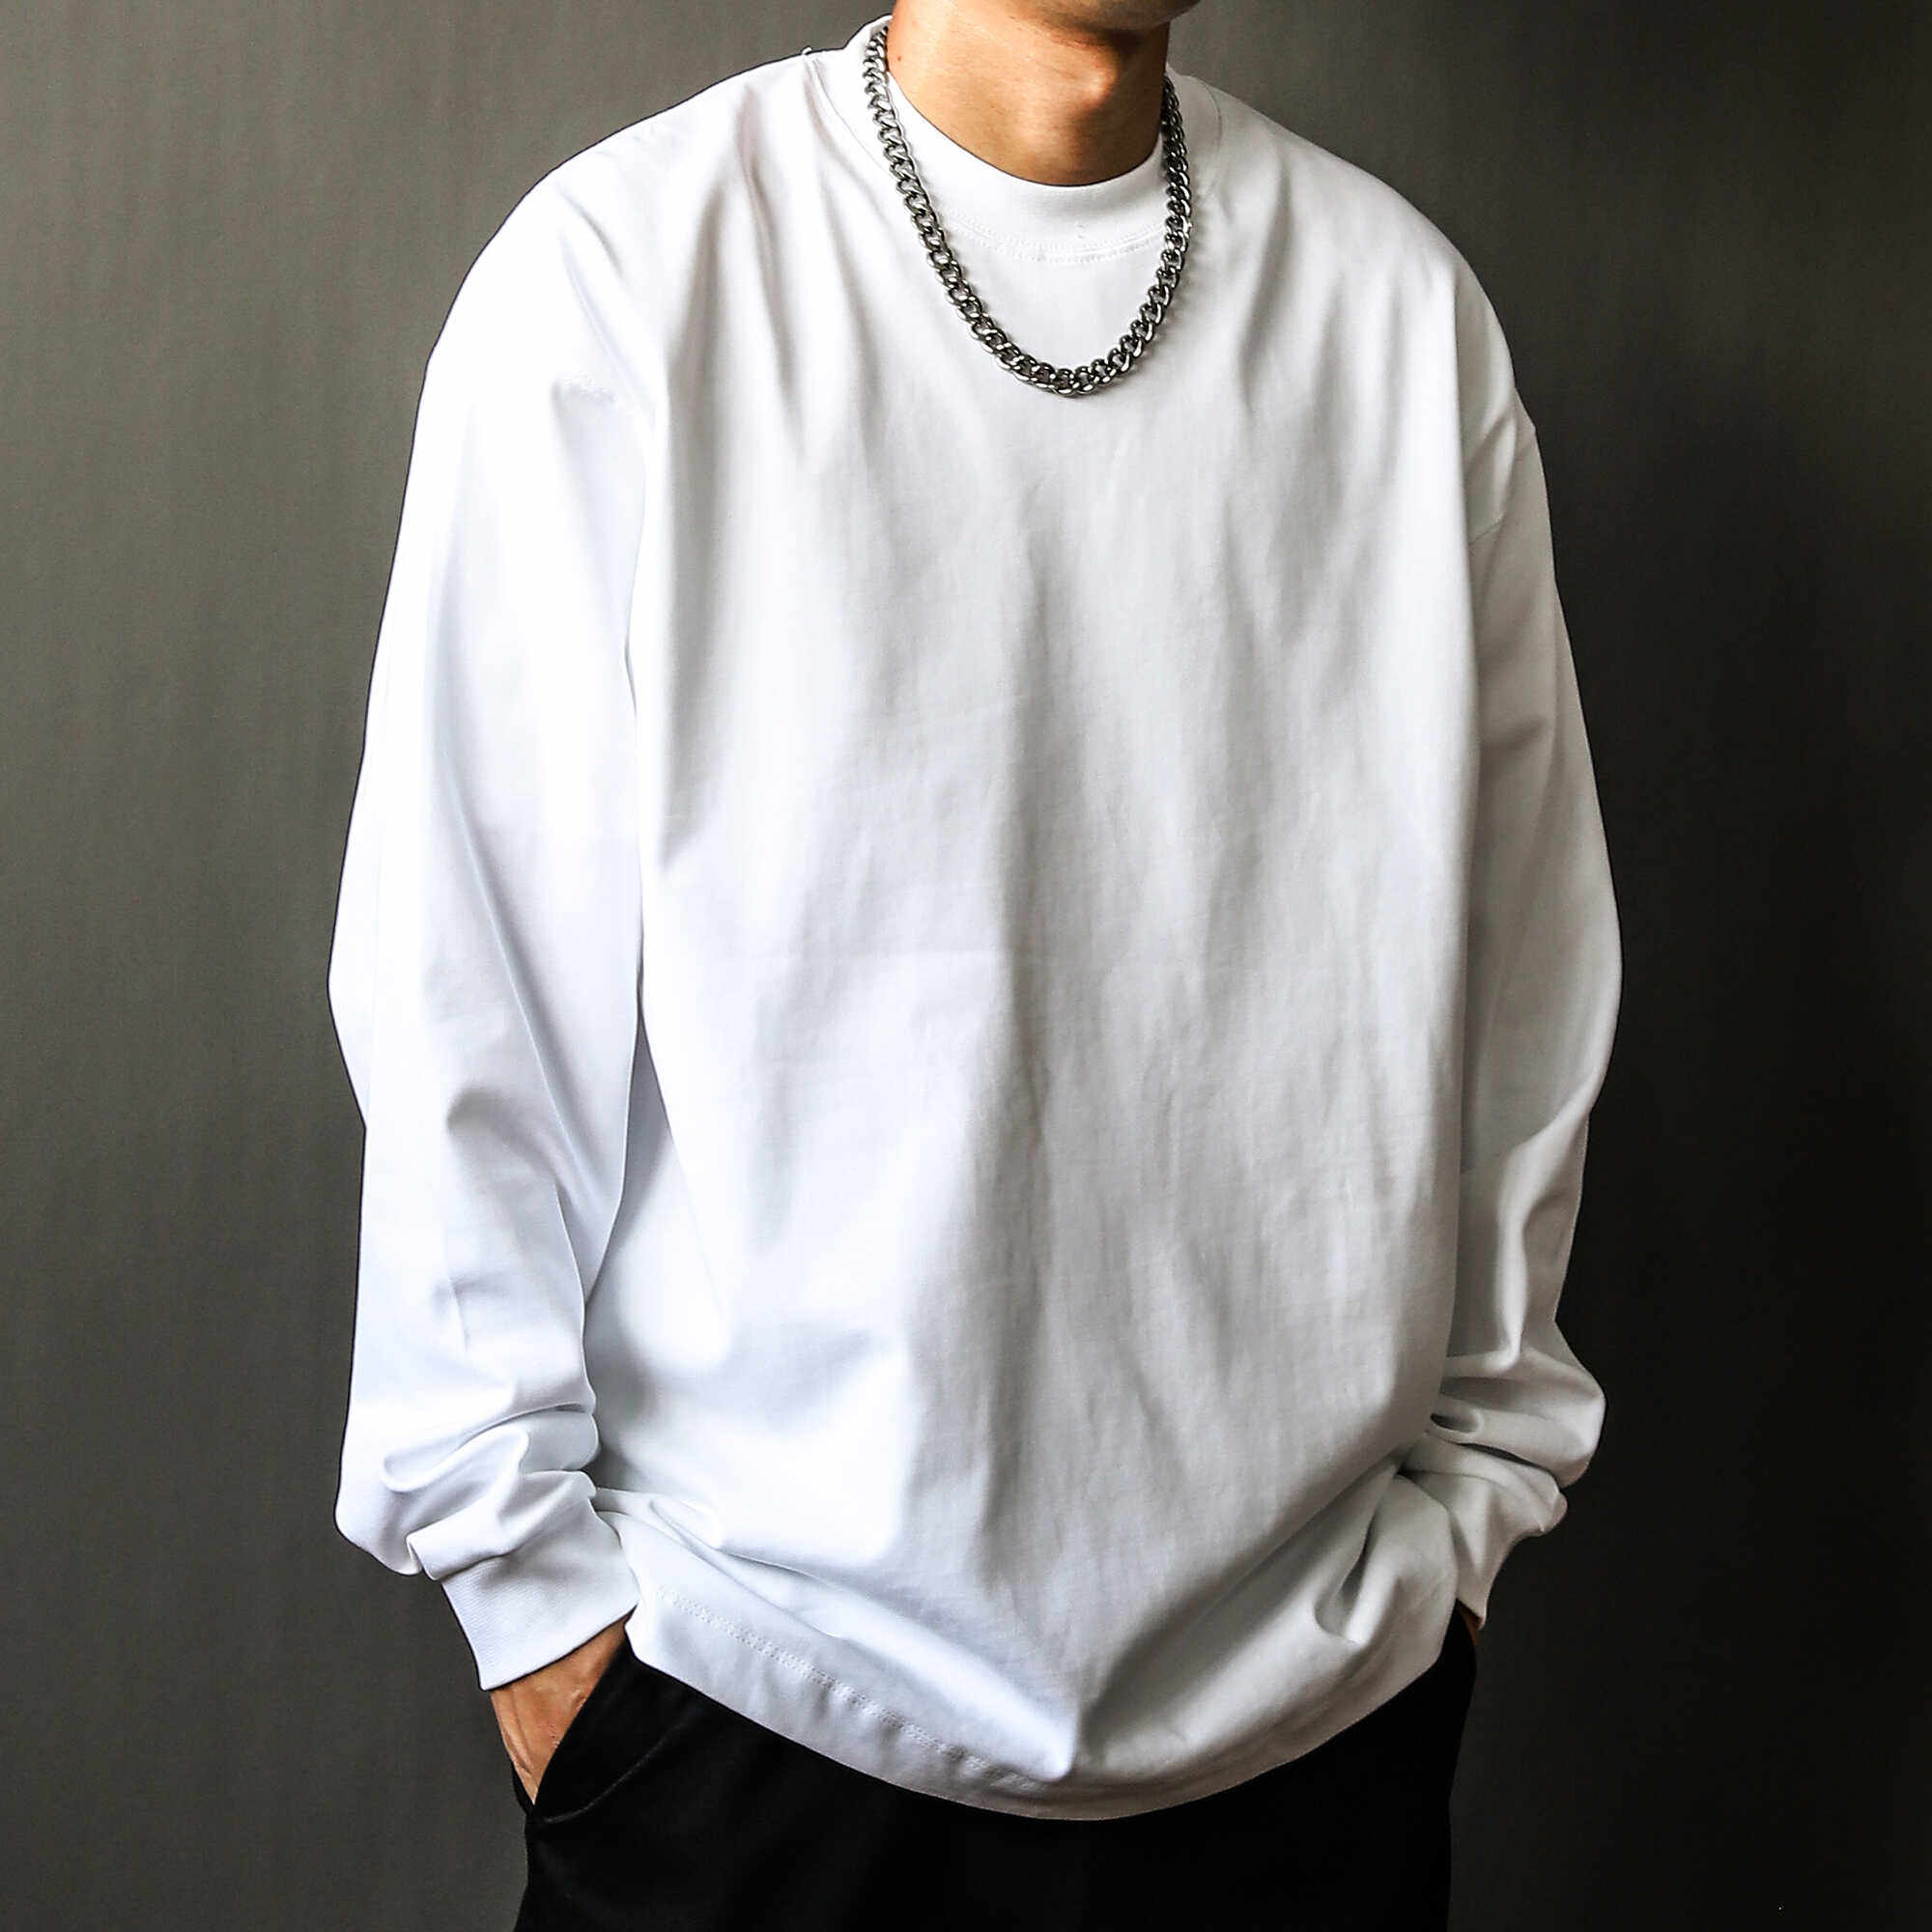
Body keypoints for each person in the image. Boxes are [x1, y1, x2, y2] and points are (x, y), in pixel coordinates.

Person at [326, 1, 1621, 1924]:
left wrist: (1471, 1519)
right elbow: (465, 994)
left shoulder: (1403, 323)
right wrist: (540, 1620)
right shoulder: (626, 278)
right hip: (745, 1724)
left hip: (1313, 1735)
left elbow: (1525, 986)